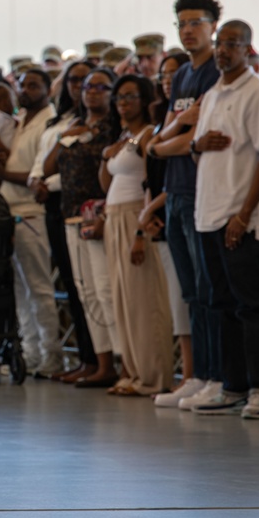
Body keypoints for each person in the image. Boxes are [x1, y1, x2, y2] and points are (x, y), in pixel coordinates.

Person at [189, 20, 259, 419]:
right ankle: (233, 385)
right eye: (220, 44)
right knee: (220, 305)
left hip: (239, 218)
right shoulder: (212, 93)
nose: (223, 50)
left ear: (249, 49)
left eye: (232, 44)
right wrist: (196, 145)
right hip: (208, 214)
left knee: (251, 307)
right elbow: (201, 150)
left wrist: (243, 216)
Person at [146, 0, 223, 411]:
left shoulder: (214, 73)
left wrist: (164, 145)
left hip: (201, 190)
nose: (188, 30)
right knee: (190, 291)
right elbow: (169, 135)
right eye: (182, 23)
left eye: (196, 22)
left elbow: (197, 141)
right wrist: (169, 139)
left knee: (209, 288)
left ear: (213, 26)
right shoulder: (180, 78)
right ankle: (197, 374)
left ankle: (217, 375)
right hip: (174, 190)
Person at [42, 68, 121, 388]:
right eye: (88, 86)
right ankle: (95, 362)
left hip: (100, 215)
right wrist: (66, 138)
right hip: (70, 215)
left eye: (102, 87)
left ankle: (120, 363)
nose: (92, 92)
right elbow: (48, 167)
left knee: (105, 291)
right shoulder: (74, 126)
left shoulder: (113, 129)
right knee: (85, 292)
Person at [99, 74, 173, 396]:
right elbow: (105, 184)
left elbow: (152, 182)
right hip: (114, 216)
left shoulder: (147, 135)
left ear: (144, 100)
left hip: (134, 217)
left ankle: (152, 376)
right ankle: (131, 370)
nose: (123, 103)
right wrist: (107, 156)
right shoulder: (124, 136)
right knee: (122, 300)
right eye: (118, 98)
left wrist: (141, 231)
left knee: (144, 298)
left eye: (130, 97)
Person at [28, 59, 99, 383]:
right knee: (74, 286)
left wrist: (47, 183)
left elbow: (78, 173)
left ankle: (100, 359)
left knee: (92, 288)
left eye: (85, 80)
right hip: (53, 206)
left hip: (78, 203)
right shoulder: (58, 121)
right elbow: (43, 163)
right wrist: (37, 181)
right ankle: (87, 358)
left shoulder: (94, 124)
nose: (78, 87)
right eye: (74, 80)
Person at [0, 69, 61, 378]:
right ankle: (29, 354)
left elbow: (37, 175)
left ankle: (51, 356)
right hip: (9, 209)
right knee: (20, 289)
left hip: (32, 212)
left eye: (34, 85)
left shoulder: (49, 122)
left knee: (40, 287)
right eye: (22, 85)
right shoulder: (18, 122)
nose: (25, 90)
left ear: (47, 89)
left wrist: (2, 174)